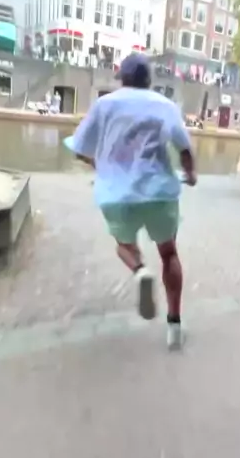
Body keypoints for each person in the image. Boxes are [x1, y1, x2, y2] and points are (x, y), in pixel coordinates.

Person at [66, 54, 196, 350]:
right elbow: (184, 148)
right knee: (169, 254)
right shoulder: (166, 106)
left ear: (122, 78)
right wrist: (190, 173)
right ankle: (174, 327)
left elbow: (79, 148)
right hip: (159, 192)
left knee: (124, 246)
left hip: (117, 195)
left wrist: (102, 165)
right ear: (149, 79)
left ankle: (139, 270)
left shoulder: (105, 104)